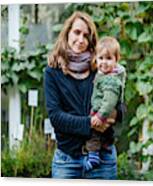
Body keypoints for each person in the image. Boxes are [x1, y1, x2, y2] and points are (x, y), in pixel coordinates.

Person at [44, 11, 123, 179]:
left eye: (86, 36)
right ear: (67, 33)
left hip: (103, 159)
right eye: (77, 32)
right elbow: (56, 117)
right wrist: (91, 124)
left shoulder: (100, 66)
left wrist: (114, 114)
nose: (81, 40)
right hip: (67, 161)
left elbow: (120, 103)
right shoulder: (52, 72)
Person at [84, 36, 126, 171]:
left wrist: (100, 116)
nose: (104, 62)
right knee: (97, 136)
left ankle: (93, 157)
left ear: (116, 60)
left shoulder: (111, 80)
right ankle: (95, 155)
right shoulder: (102, 75)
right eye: (101, 58)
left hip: (101, 113)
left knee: (94, 135)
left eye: (109, 59)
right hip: (99, 111)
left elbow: (109, 101)